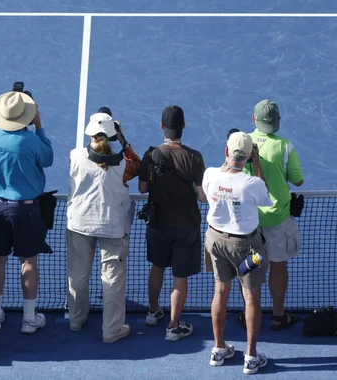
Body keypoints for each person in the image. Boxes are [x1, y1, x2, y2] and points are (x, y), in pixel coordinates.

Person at [0, 90, 54, 334]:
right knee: (28, 261)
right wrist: (38, 126)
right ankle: (29, 319)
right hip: (24, 211)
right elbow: (48, 158)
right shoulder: (30, 141)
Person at [202, 131, 273, 374]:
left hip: (215, 241)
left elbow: (220, 177)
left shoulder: (210, 175)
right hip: (247, 248)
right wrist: (258, 164)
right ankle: (251, 357)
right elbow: (266, 199)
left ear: (226, 152)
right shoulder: (253, 183)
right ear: (250, 156)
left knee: (220, 291)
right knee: (251, 297)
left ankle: (219, 348)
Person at [66, 111, 140, 343]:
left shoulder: (74, 156)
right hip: (113, 227)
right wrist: (123, 140)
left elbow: (91, 159)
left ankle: (76, 320)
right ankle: (111, 330)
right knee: (112, 280)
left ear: (90, 133)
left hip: (79, 224)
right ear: (112, 135)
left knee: (78, 275)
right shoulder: (124, 165)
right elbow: (137, 165)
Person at [137, 105, 207, 341]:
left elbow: (143, 188)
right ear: (183, 127)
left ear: (161, 127)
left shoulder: (150, 156)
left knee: (157, 266)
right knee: (180, 276)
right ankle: (174, 326)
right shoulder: (195, 157)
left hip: (158, 224)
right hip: (186, 226)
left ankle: (152, 311)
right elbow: (201, 195)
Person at [243, 100, 304, 331]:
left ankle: (249, 313)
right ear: (278, 121)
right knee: (277, 264)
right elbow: (298, 180)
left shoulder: (243, 143)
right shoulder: (285, 146)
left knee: (253, 265)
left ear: (253, 120)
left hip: (251, 224)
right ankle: (278, 315)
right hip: (278, 221)